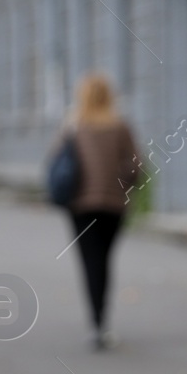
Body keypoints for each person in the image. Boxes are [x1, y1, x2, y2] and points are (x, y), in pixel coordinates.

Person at [59, 73, 140, 350]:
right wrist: (119, 185)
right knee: (104, 261)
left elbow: (56, 164)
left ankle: (97, 324)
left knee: (89, 262)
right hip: (114, 206)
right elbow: (135, 167)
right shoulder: (120, 126)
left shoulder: (73, 126)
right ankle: (102, 322)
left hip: (80, 206)